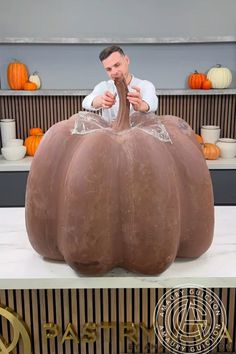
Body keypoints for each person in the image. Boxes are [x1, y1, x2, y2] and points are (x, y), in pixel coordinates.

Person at [82, 45, 158, 123]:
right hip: (110, 134)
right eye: (109, 69)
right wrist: (100, 100)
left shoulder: (145, 85)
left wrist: (141, 105)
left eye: (117, 65)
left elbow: (152, 103)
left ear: (127, 60)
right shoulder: (104, 86)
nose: (114, 72)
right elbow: (86, 102)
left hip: (137, 134)